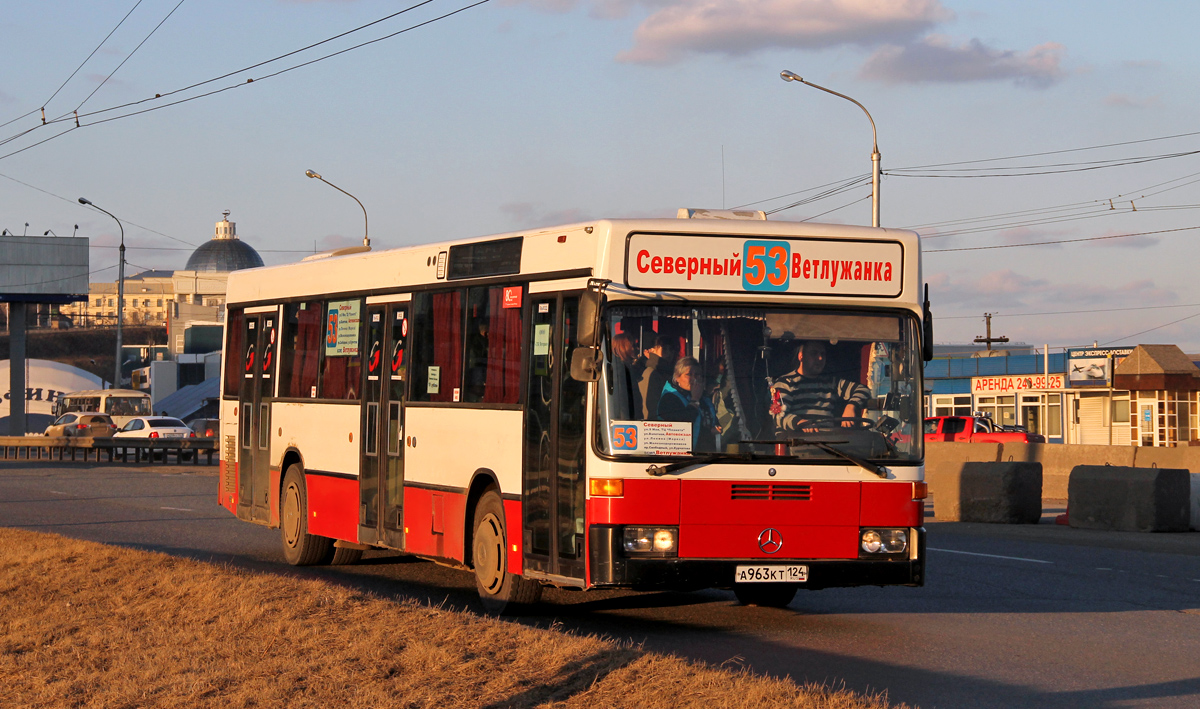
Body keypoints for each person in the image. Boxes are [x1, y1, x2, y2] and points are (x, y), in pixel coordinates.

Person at [770, 340, 869, 433]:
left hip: (829, 442)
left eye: (823, 354)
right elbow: (778, 414)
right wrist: (801, 423)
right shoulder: (784, 383)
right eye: (814, 353)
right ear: (801, 356)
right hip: (796, 442)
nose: (820, 358)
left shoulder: (831, 382)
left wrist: (851, 406)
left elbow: (863, 390)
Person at [657, 357, 720, 452]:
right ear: (677, 378)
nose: (694, 379)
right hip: (681, 457)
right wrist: (694, 400)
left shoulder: (705, 400)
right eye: (689, 374)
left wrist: (715, 429)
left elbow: (708, 423)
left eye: (697, 375)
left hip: (707, 454)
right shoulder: (670, 398)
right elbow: (681, 426)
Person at [638, 335, 678, 420]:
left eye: (671, 349)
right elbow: (651, 407)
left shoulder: (668, 371)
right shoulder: (651, 372)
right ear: (652, 350)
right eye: (664, 349)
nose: (669, 353)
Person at [610, 333, 642, 420]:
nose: (637, 349)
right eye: (633, 345)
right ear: (623, 347)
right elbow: (622, 401)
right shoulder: (620, 370)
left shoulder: (627, 367)